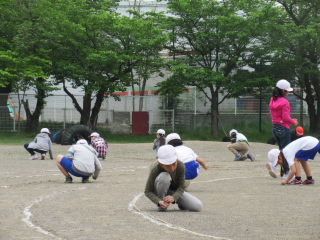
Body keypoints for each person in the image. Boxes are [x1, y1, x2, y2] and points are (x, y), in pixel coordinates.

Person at [144, 145, 203, 212]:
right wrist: (158, 201)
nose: (172, 168)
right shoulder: (155, 168)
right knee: (164, 176)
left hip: (173, 190)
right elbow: (148, 191)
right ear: (161, 163)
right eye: (168, 166)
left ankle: (181, 204)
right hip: (159, 187)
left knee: (198, 206)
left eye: (173, 163)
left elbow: (181, 187)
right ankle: (162, 206)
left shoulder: (181, 165)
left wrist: (174, 197)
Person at [270, 79, 298, 150]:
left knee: (281, 149)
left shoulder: (273, 99)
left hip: (275, 127)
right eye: (287, 90)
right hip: (284, 127)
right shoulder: (285, 102)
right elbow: (285, 117)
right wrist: (293, 122)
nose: (288, 92)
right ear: (283, 91)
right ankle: (285, 161)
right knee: (286, 150)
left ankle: (280, 161)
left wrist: (292, 90)